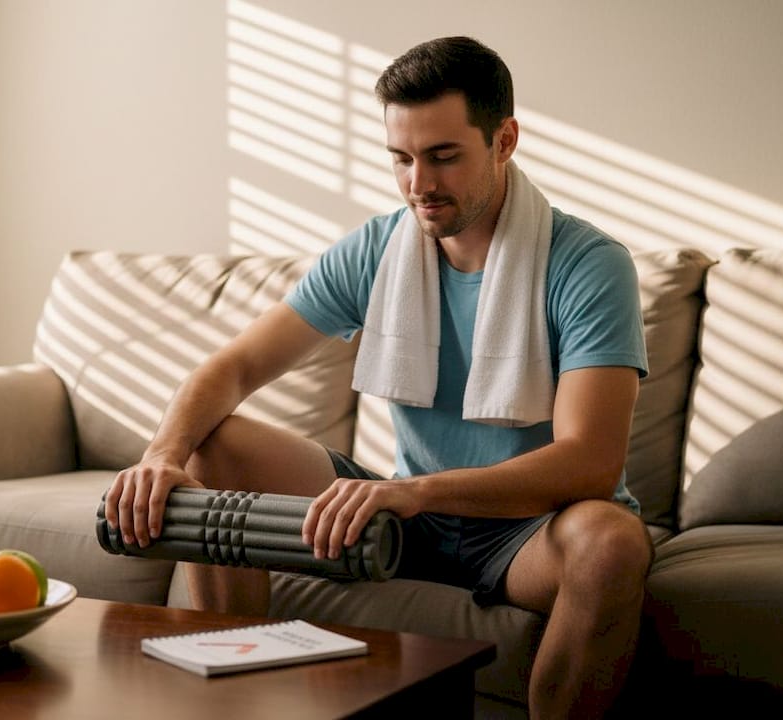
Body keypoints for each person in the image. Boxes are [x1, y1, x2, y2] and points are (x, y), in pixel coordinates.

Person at [104, 36, 652, 719]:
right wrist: (161, 457)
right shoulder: (380, 247)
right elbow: (233, 367)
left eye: (444, 156)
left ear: (505, 140)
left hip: (525, 533)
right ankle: (232, 699)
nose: (419, 183)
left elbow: (590, 463)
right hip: (407, 512)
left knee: (611, 545)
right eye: (402, 158)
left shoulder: (589, 265)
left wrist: (412, 492)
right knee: (213, 443)